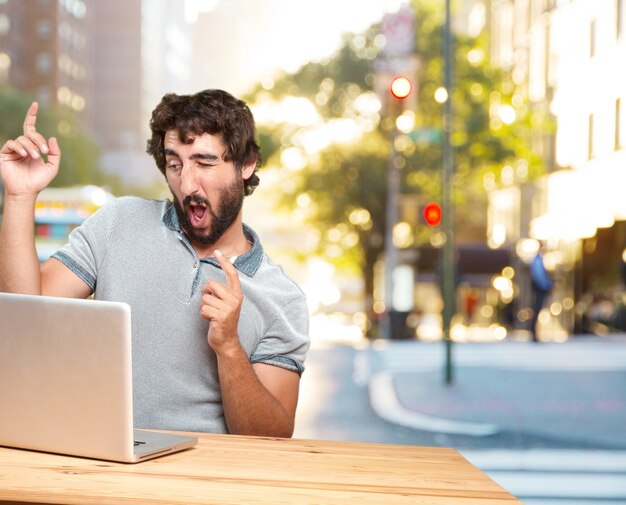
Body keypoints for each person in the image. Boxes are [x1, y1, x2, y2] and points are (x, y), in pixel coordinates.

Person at [0, 90, 310, 437]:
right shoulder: (119, 221)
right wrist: (19, 196)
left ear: (246, 164)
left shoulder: (283, 300)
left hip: (200, 483)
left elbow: (270, 440)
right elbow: (24, 312)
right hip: (100, 463)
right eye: (175, 164)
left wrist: (229, 347)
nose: (187, 184)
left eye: (205, 163)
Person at [529, 249, 553, 342]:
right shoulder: (538, 260)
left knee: (537, 310)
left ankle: (534, 332)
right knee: (537, 310)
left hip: (540, 288)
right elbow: (538, 276)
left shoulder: (538, 260)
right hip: (540, 289)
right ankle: (533, 332)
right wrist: (547, 285)